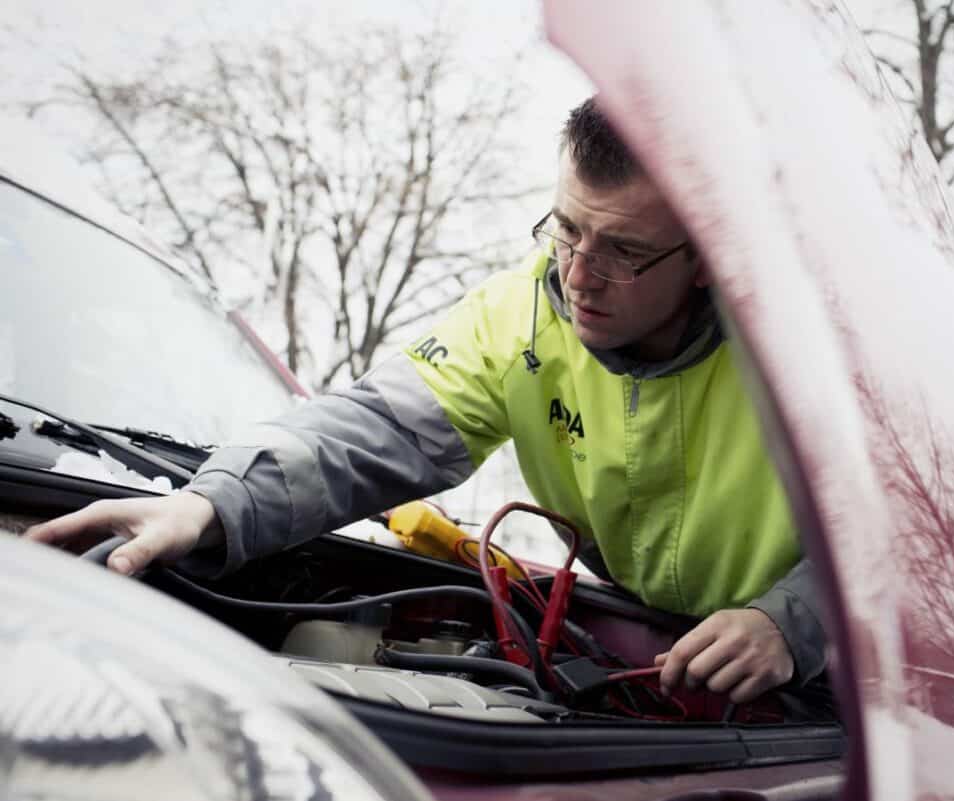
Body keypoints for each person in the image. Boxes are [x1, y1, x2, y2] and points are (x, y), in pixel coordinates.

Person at [25, 97, 827, 704]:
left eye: (624, 250)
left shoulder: (808, 357)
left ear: (707, 257)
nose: (579, 275)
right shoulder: (517, 318)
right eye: (569, 229)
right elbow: (372, 429)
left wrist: (791, 622)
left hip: (816, 684)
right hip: (635, 644)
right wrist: (208, 506)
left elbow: (918, 530)